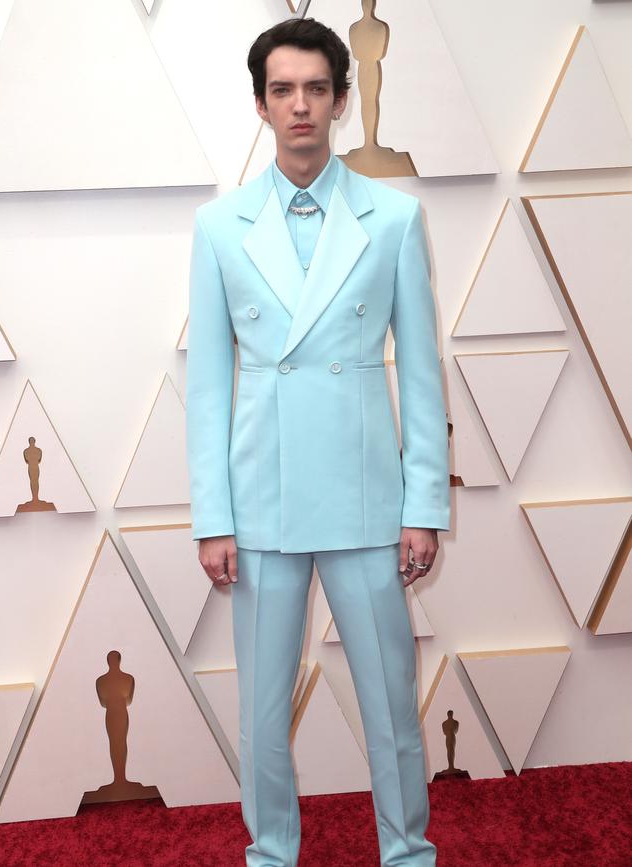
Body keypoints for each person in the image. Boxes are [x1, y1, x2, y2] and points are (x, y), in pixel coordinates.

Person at [185, 17, 450, 867]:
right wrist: (212, 517)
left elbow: (418, 374)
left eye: (315, 89)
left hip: (369, 497)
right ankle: (271, 853)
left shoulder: (397, 218)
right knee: (262, 711)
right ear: (261, 106)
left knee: (391, 703)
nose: (300, 105)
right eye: (281, 90)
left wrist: (424, 504)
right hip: (262, 500)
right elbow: (208, 388)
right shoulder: (220, 227)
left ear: (339, 98)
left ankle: (408, 850)